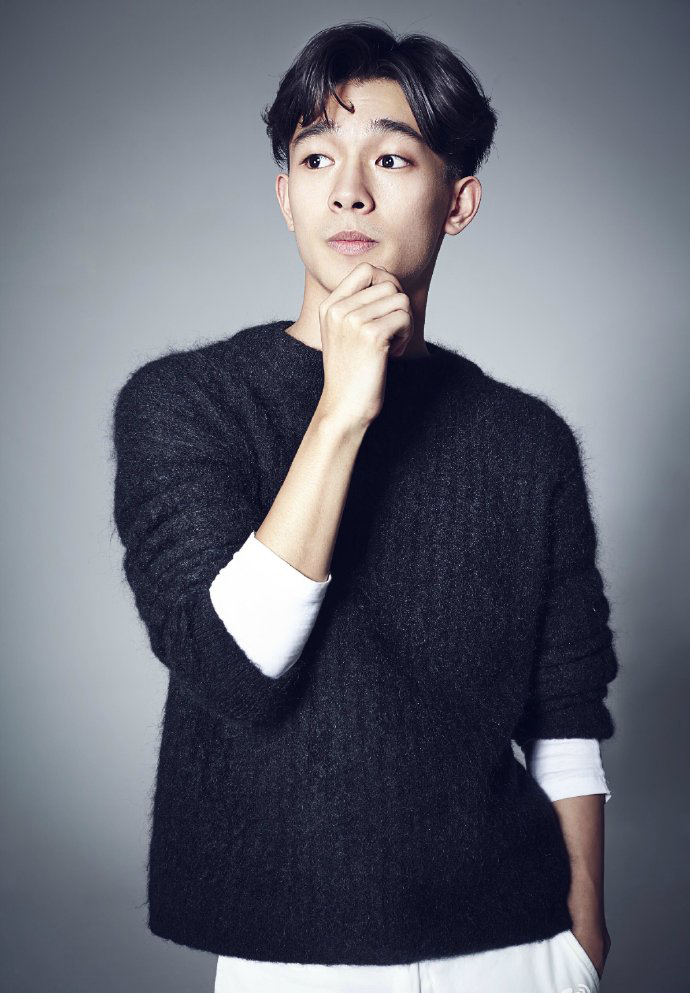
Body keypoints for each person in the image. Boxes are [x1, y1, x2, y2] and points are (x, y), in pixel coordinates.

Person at [111, 21, 618, 993]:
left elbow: (565, 709)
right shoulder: (185, 403)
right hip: (293, 955)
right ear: (285, 196)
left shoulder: (527, 442)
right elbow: (232, 668)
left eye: (390, 156)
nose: (348, 189)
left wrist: (584, 933)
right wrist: (341, 410)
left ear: (457, 201)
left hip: (514, 943)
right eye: (316, 157)